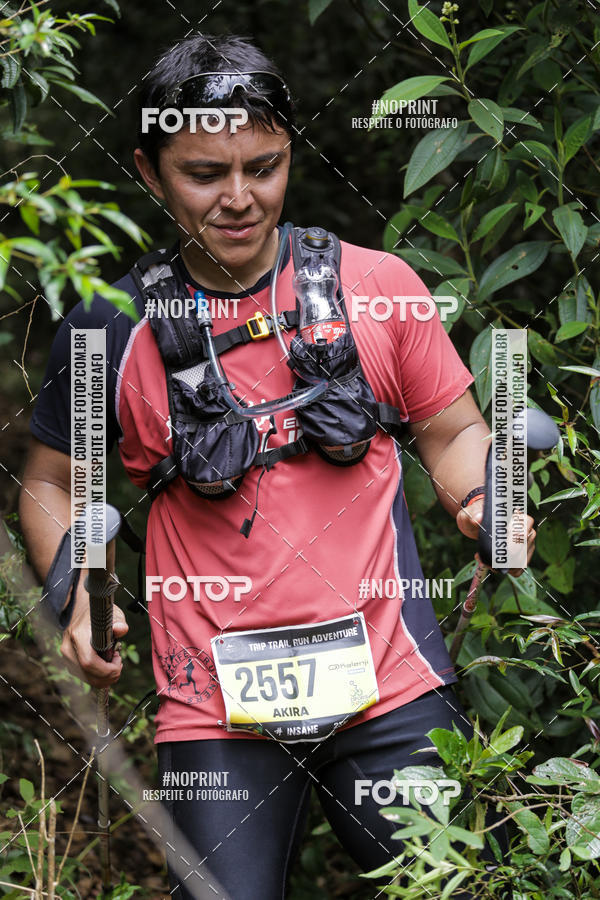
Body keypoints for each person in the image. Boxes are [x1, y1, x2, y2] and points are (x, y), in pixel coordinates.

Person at [19, 34, 534, 900]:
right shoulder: (106, 331)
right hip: (214, 714)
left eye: (264, 167)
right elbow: (53, 484)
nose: (239, 199)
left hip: (392, 690)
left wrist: (489, 496)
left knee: (461, 888)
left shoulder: (380, 287)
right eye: (204, 174)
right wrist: (76, 587)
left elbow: (452, 434)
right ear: (149, 172)